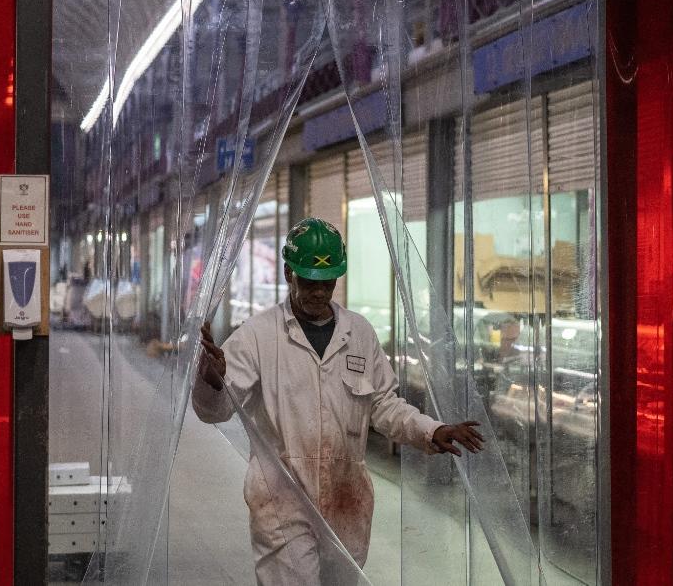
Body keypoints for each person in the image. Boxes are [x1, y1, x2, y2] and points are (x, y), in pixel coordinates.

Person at [192, 217, 485, 585]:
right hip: (282, 499)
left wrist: (432, 429)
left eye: (328, 282)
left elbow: (383, 405)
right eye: (309, 282)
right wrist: (212, 381)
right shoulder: (257, 335)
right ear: (288, 273)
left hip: (346, 500)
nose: (319, 292)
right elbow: (213, 412)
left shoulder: (358, 333)